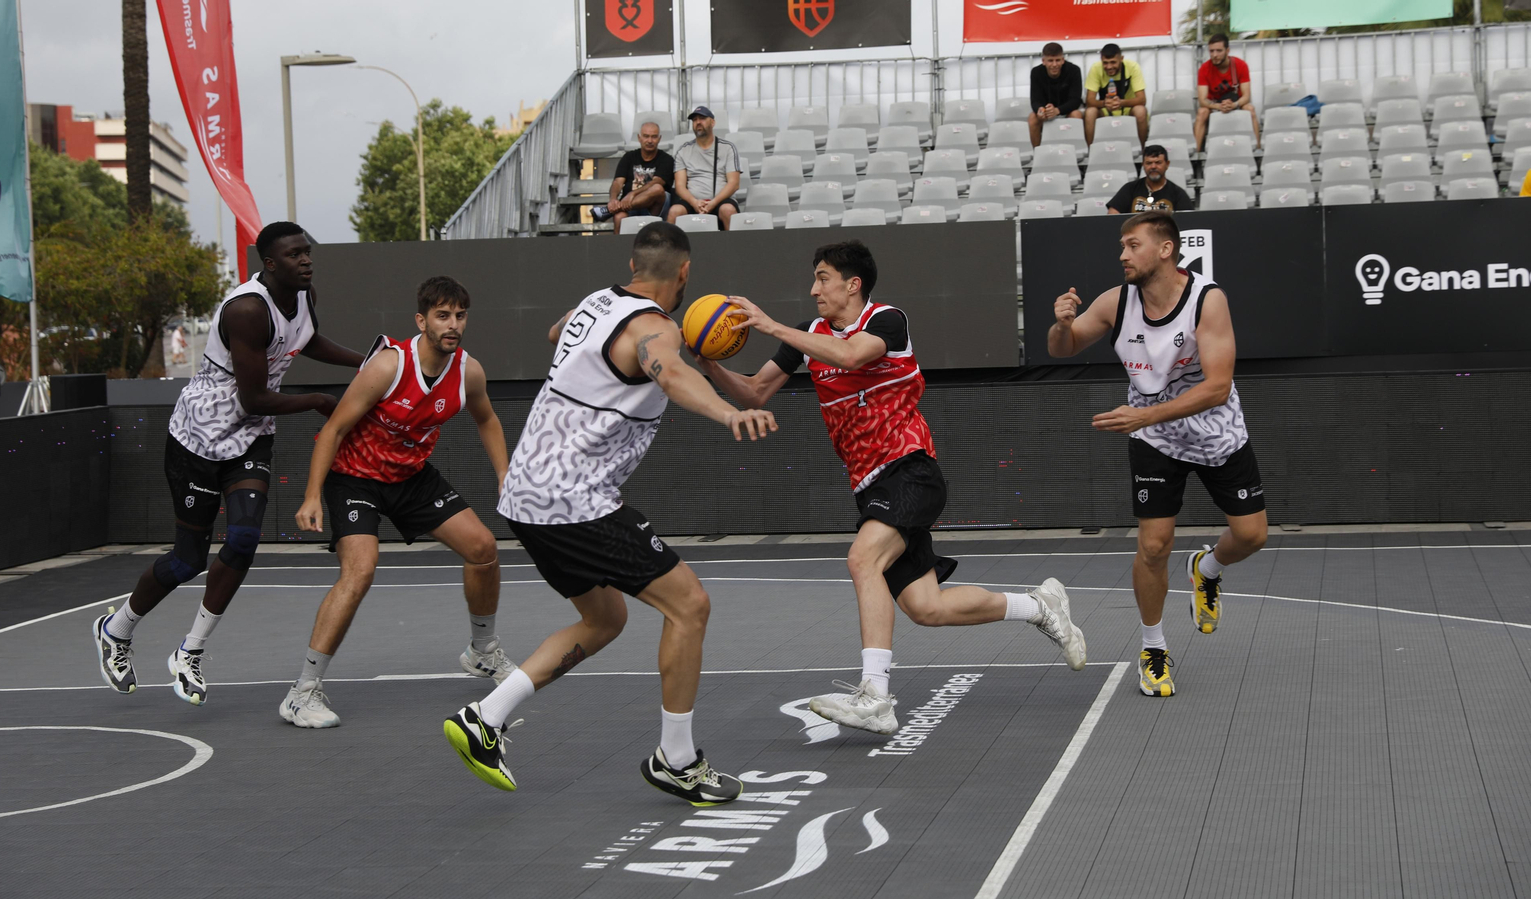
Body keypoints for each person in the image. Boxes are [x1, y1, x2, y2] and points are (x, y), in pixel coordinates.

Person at [443, 222, 777, 805]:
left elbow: (557, 331)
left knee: (604, 620)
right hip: (573, 497)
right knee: (690, 605)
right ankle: (677, 760)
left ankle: (484, 718)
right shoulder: (655, 329)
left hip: (527, 494)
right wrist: (726, 414)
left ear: (632, 265)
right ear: (685, 273)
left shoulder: (596, 303)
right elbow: (668, 373)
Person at [696, 241, 1086, 736]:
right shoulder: (808, 335)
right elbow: (753, 390)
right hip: (870, 483)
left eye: (822, 278)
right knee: (927, 607)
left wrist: (770, 324)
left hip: (910, 469)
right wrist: (709, 362)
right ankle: (1039, 606)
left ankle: (876, 696)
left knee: (862, 559)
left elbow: (852, 355)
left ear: (852, 284)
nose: (814, 289)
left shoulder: (886, 320)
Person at [90, 222, 365, 706]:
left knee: (242, 539)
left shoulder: (303, 294)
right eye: (295, 254)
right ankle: (116, 629)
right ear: (270, 264)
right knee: (187, 559)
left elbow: (308, 342)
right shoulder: (246, 310)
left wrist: (366, 363)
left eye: (308, 252)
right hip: (199, 438)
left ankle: (190, 651)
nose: (306, 260)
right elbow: (256, 397)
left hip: (251, 439)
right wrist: (321, 400)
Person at [1046, 211, 1268, 699]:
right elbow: (1063, 348)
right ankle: (1153, 646)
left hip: (1214, 432)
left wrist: (1144, 416)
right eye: (1121, 246)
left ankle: (1206, 569)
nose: (1122, 254)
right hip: (1155, 440)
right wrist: (1061, 325)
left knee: (1252, 536)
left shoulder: (1208, 301)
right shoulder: (1115, 302)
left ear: (1165, 249)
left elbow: (1217, 387)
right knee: (1152, 546)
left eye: (1132, 245)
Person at [284, 276, 513, 728]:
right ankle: (302, 692)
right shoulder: (388, 366)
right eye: (443, 316)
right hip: (356, 479)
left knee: (483, 549)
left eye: (460, 316)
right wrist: (312, 495)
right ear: (421, 320)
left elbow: (487, 420)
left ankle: (482, 652)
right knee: (360, 571)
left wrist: (505, 475)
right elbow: (333, 430)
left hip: (411, 477)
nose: (453, 325)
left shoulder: (468, 371)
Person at [594, 120, 675, 234]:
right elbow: (617, 182)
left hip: (655, 208)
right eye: (646, 136)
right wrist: (613, 200)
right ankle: (618, 249)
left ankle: (610, 210)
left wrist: (632, 194)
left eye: (654, 137)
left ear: (659, 138)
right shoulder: (629, 157)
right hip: (630, 209)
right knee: (619, 217)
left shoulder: (667, 159)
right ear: (639, 138)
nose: (650, 141)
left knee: (657, 189)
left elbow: (657, 182)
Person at [668, 106, 741, 230]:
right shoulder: (683, 150)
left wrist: (714, 202)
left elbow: (734, 183)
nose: (698, 122)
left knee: (728, 210)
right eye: (695, 120)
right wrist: (694, 202)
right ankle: (666, 249)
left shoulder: (728, 148)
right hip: (692, 202)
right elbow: (680, 187)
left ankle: (735, 248)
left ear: (713, 122)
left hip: (720, 201)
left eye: (702, 118)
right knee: (675, 212)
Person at [1195, 33, 1258, 149]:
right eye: (1212, 51)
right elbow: (1202, 100)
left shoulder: (1240, 65)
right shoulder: (1204, 69)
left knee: (1250, 109)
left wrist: (1234, 105)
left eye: (1219, 51)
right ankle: (1196, 156)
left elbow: (1246, 96)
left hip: (1236, 103)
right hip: (1215, 105)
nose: (1215, 55)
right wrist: (1219, 106)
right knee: (1202, 112)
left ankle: (1258, 150)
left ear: (1227, 50)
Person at [1084, 43, 1149, 145]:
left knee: (1141, 111)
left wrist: (1121, 103)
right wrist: (1104, 104)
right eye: (1105, 63)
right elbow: (1089, 101)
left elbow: (1142, 99)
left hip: (1127, 110)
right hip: (1105, 111)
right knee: (1090, 112)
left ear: (1121, 59)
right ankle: (1091, 152)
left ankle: (1142, 152)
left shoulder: (1133, 67)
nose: (1109, 67)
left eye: (1113, 62)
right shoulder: (1096, 68)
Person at [1106, 145, 1193, 214]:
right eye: (1149, 163)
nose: (1153, 166)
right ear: (1143, 165)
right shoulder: (1130, 189)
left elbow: (1187, 221)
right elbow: (1113, 215)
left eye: (1158, 162)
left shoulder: (1178, 194)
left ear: (1167, 164)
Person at [1028, 42, 1084, 148]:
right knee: (1033, 118)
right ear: (1043, 61)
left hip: (1067, 110)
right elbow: (1035, 100)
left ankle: (1075, 153)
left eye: (1058, 60)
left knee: (1076, 115)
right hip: (1046, 111)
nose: (1054, 64)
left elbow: (1075, 100)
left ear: (1063, 60)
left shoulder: (1074, 70)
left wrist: (1057, 110)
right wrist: (1040, 110)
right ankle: (1037, 154)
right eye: (1050, 61)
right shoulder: (1036, 72)